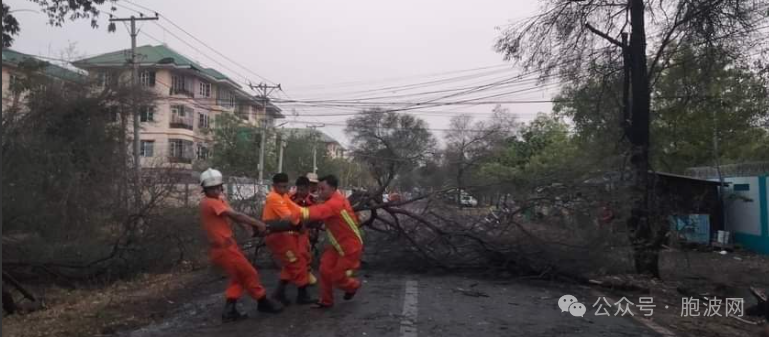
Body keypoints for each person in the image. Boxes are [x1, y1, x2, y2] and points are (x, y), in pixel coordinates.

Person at [198, 168, 283, 322]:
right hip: (224, 249)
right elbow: (235, 215)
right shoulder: (209, 203)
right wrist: (258, 224)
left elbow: (233, 214)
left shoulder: (219, 200)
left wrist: (248, 229)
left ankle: (229, 310)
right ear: (205, 189)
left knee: (238, 278)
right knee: (250, 274)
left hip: (228, 246)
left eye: (217, 187)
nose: (215, 190)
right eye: (211, 188)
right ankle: (262, 302)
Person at [294, 174, 363, 309]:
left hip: (350, 247)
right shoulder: (331, 199)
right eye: (318, 189)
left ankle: (353, 286)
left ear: (333, 188)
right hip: (338, 245)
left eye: (322, 189)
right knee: (324, 270)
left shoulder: (335, 203)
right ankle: (326, 301)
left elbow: (314, 213)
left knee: (336, 277)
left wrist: (291, 211)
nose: (319, 192)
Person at [262, 173, 315, 305]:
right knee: (296, 262)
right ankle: (302, 295)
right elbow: (289, 216)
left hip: (283, 234)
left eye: (285, 186)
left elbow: (295, 209)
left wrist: (313, 213)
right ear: (273, 186)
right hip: (276, 236)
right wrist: (301, 225)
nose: (283, 189)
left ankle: (279, 293)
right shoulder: (274, 198)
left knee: (291, 264)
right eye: (280, 187)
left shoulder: (283, 196)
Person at [290, 176, 320, 286]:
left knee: (305, 252)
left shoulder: (313, 200)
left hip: (306, 230)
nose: (299, 192)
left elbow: (317, 215)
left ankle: (307, 273)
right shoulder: (291, 198)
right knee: (293, 254)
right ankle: (296, 275)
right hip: (292, 231)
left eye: (302, 189)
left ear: (308, 188)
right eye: (298, 189)